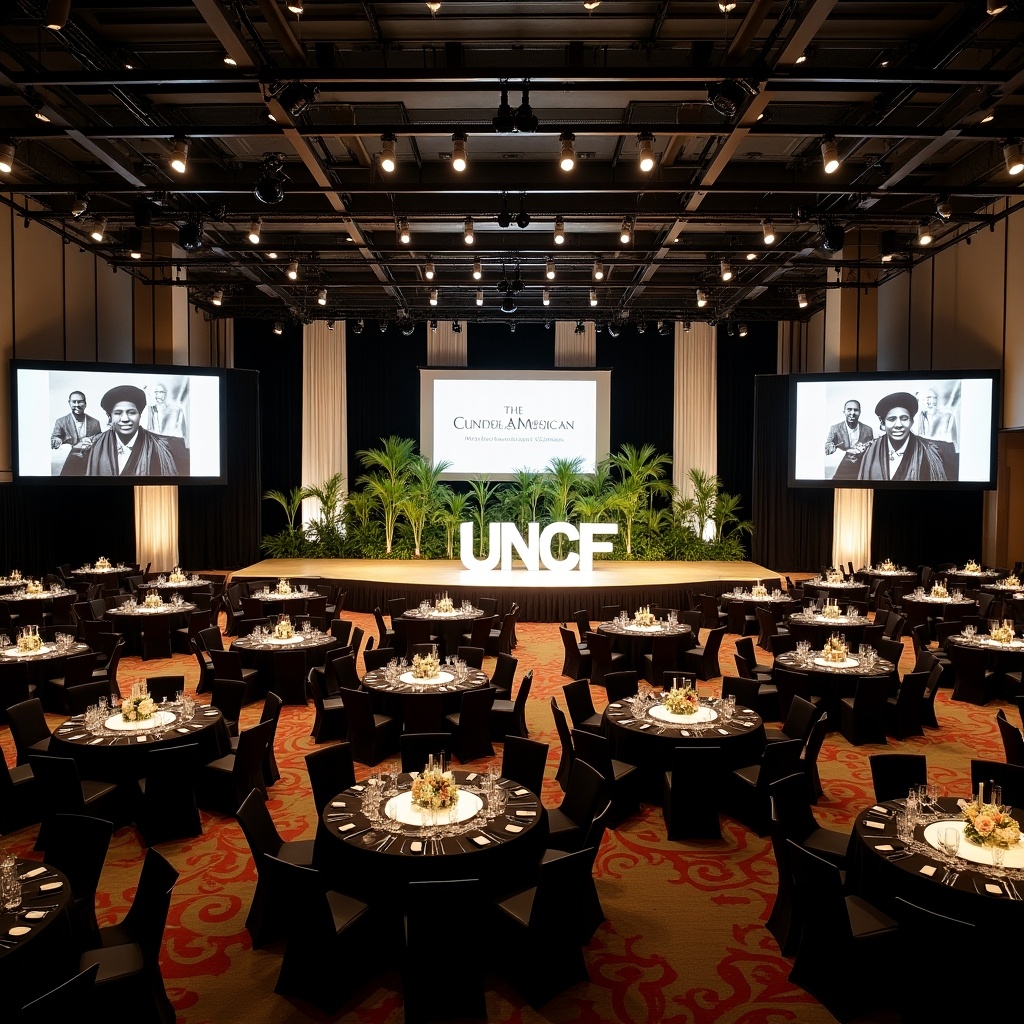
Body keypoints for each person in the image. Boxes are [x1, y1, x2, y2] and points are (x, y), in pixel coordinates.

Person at [833, 391, 958, 482]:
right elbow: (839, 481)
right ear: (883, 423)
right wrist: (851, 457)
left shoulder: (933, 451)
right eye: (892, 419)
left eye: (904, 419)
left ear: (911, 422)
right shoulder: (865, 451)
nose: (898, 425)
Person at [84, 384, 190, 477]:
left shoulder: (166, 447)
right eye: (118, 413)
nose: (125, 419)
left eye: (131, 412)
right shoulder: (92, 445)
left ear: (140, 415)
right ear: (110, 416)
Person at [51, 390, 103, 476]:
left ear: (85, 404)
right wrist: (57, 441)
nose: (76, 405)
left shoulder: (95, 422)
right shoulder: (61, 421)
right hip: (69, 463)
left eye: (80, 402)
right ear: (69, 403)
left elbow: (100, 441)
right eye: (73, 402)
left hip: (89, 463)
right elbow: (55, 437)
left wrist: (92, 441)